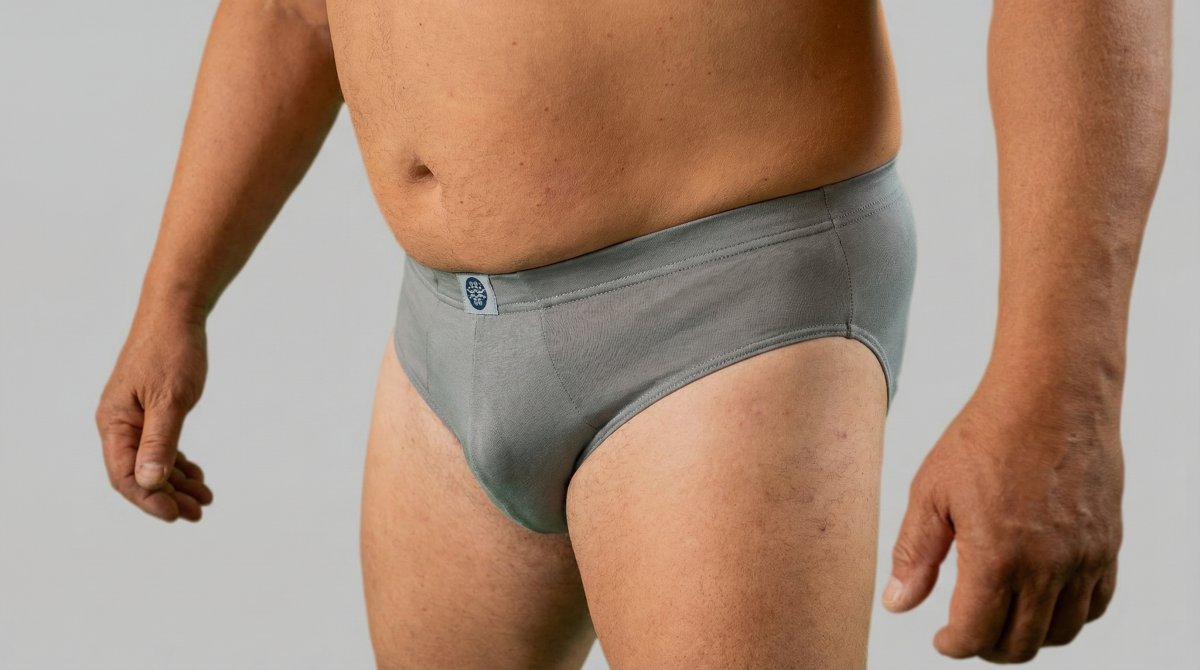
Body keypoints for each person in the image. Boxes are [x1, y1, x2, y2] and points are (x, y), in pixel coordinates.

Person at [94, 1, 1172, 667]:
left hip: (723, 305)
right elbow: (293, 8)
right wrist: (173, 295)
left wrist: (1064, 385)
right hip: (444, 330)